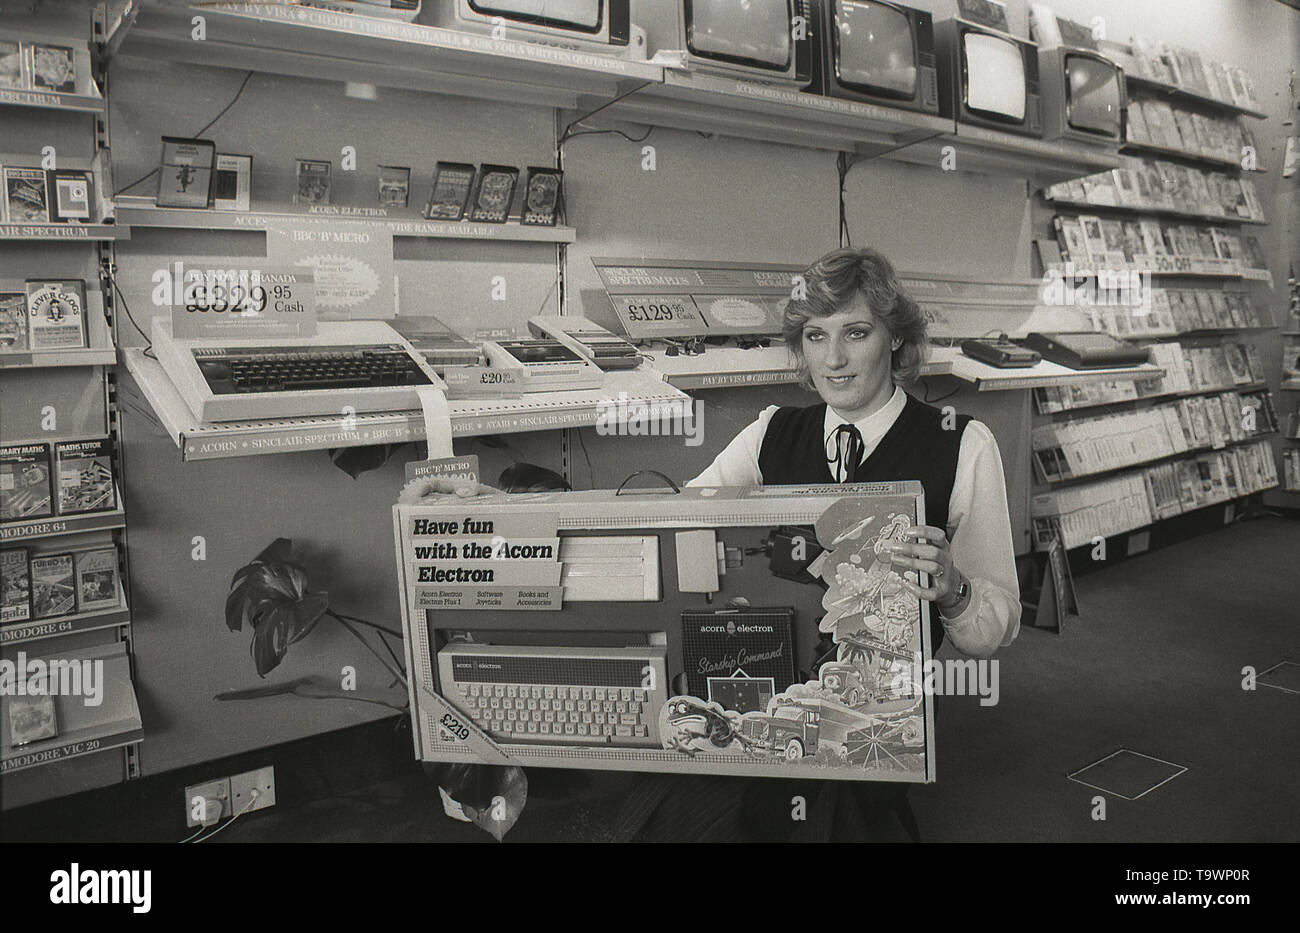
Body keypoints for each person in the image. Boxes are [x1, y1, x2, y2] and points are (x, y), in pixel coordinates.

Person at [407, 246, 1020, 841]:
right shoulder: (771, 431)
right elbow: (665, 517)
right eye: (814, 335)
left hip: (879, 715)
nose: (833, 358)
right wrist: (506, 508)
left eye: (855, 333)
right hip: (767, 685)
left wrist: (955, 591)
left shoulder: (963, 443)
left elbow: (996, 630)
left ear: (895, 338)